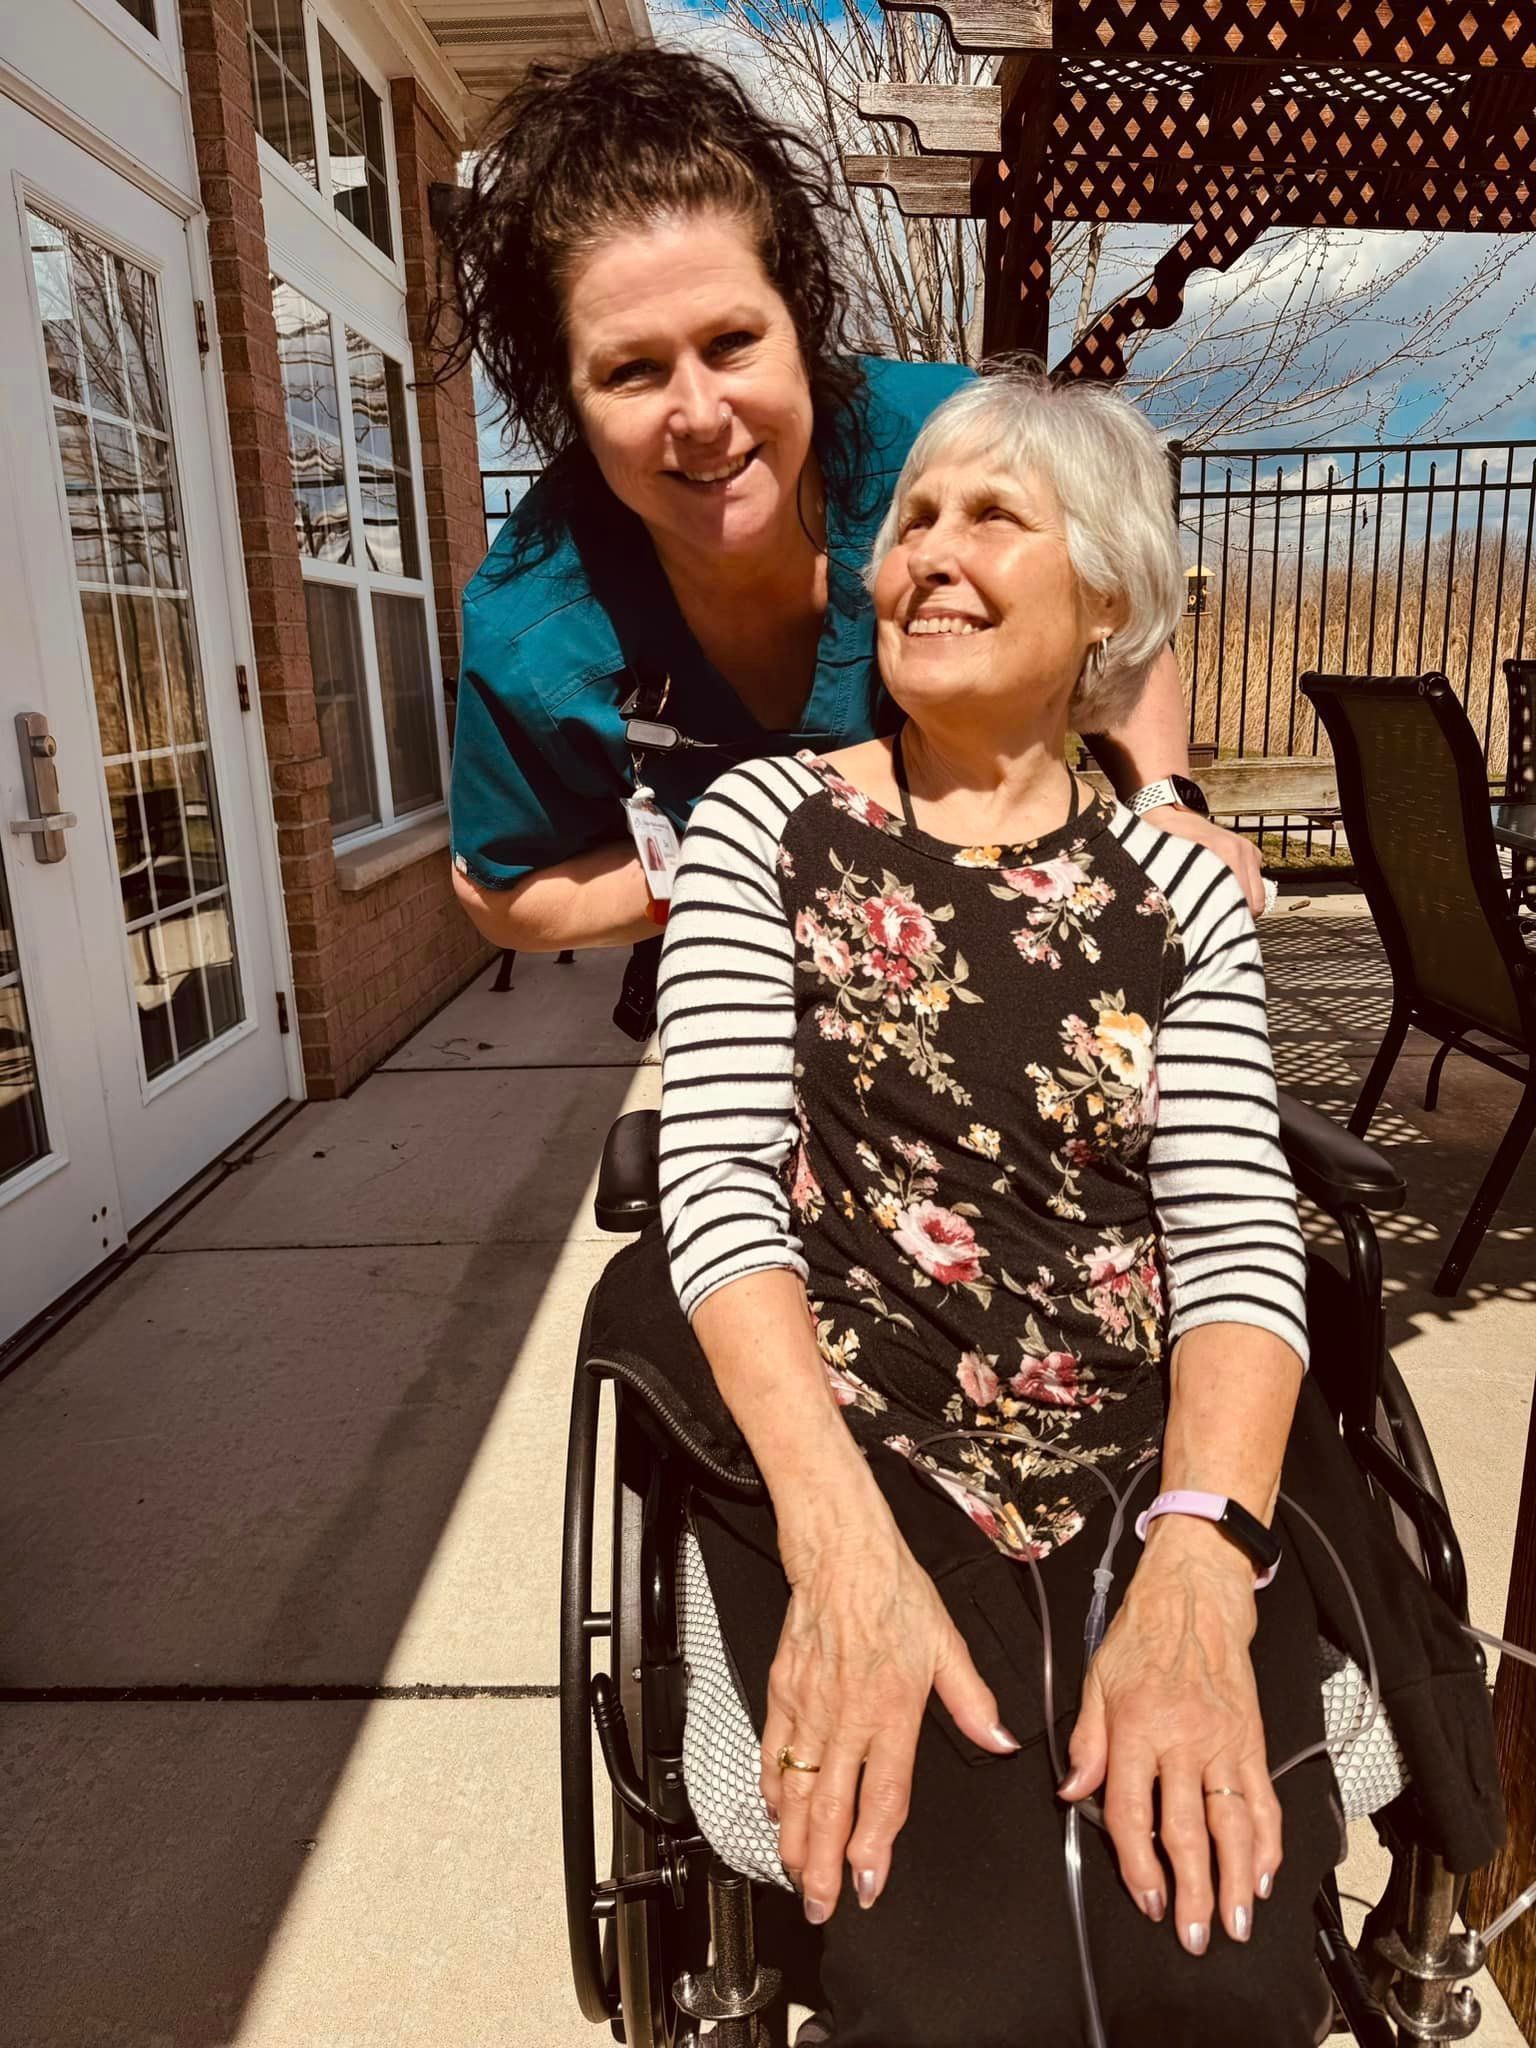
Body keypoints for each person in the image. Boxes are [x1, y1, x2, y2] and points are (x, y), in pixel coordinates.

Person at [647, 367, 1499, 2046]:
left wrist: (1198, 1556)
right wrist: (839, 1548)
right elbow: (719, 1183)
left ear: (1105, 596)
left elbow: (1240, 1228)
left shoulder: (1179, 881)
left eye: (992, 516)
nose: (928, 555)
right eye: (909, 522)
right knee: (942, 1974)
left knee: (1224, 1948)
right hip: (866, 1438)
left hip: (1138, 1453)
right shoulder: (769, 826)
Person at [441, 49, 1263, 1034]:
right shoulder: (532, 625)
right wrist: (759, 857)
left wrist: (1166, 802)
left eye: (733, 342)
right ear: (568, 398)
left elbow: (1110, 629)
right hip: (730, 977)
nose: (700, 413)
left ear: (799, 320)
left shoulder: (947, 448)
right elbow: (501, 895)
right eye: (631, 370)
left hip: (1002, 940)